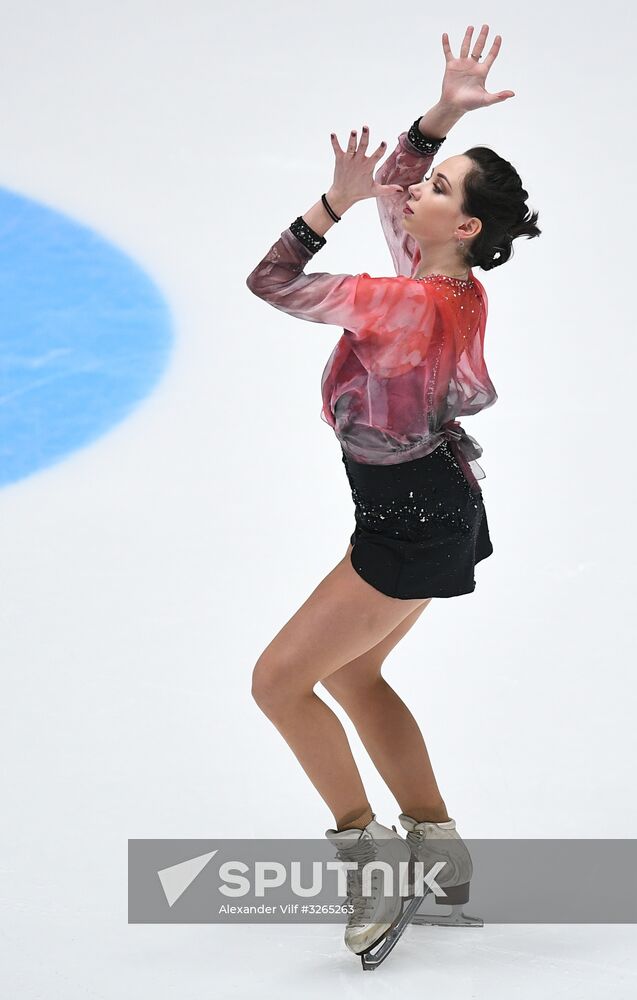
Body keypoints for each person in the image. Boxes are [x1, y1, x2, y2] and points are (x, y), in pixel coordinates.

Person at [245, 24, 541, 968]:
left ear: (459, 228)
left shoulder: (400, 299)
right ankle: (434, 843)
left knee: (279, 682)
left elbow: (271, 280)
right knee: (353, 674)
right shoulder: (445, 283)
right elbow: (404, 173)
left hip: (408, 521)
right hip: (438, 505)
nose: (417, 185)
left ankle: (371, 859)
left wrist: (329, 204)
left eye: (441, 188)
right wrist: (444, 112)